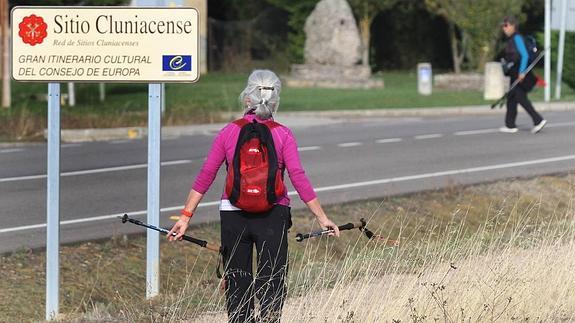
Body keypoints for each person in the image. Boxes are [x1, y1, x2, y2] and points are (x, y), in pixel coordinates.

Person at [167, 69, 340, 323]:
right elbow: (298, 176)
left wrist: (185, 216)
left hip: (233, 214)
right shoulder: (283, 134)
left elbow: (207, 174)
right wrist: (322, 218)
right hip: (273, 213)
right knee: (272, 282)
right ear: (275, 99)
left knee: (237, 284)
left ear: (247, 98)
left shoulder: (228, 131)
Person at [500, 15, 547, 134]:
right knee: (512, 97)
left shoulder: (517, 38)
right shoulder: (512, 39)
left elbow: (525, 55)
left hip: (520, 73)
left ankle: (538, 120)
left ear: (513, 26)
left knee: (519, 97)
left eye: (505, 25)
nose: (503, 28)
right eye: (503, 26)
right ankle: (510, 125)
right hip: (515, 72)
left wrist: (522, 72)